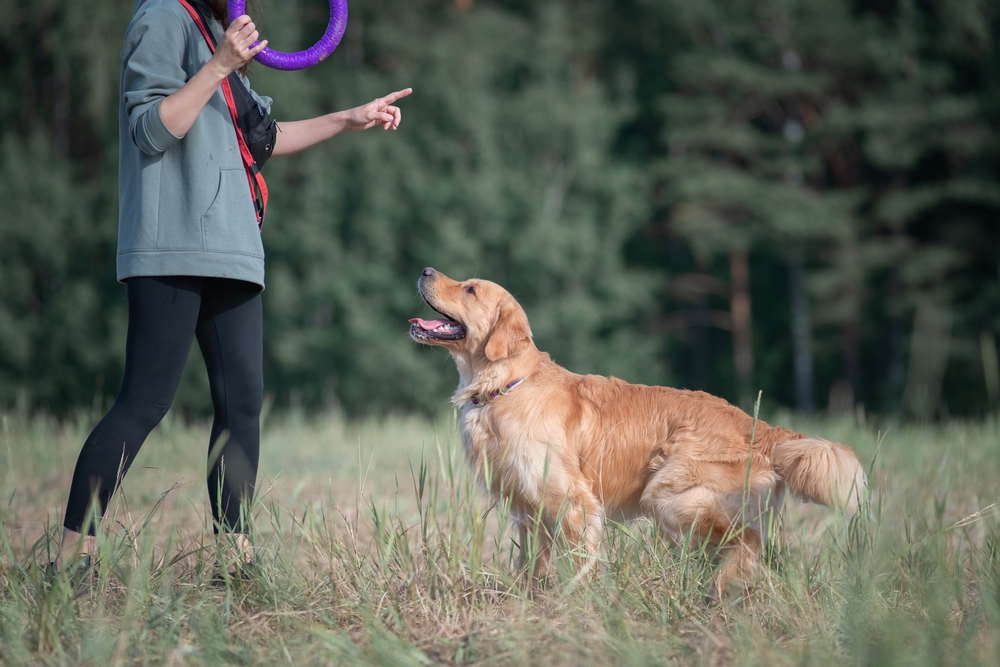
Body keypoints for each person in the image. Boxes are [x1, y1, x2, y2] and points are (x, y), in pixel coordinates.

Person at [52, 0, 411, 573]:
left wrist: (351, 117)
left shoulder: (223, 31)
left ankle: (234, 560)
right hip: (170, 245)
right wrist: (218, 65)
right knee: (145, 402)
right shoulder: (164, 17)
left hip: (234, 250)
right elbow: (150, 130)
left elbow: (262, 141)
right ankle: (71, 558)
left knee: (241, 406)